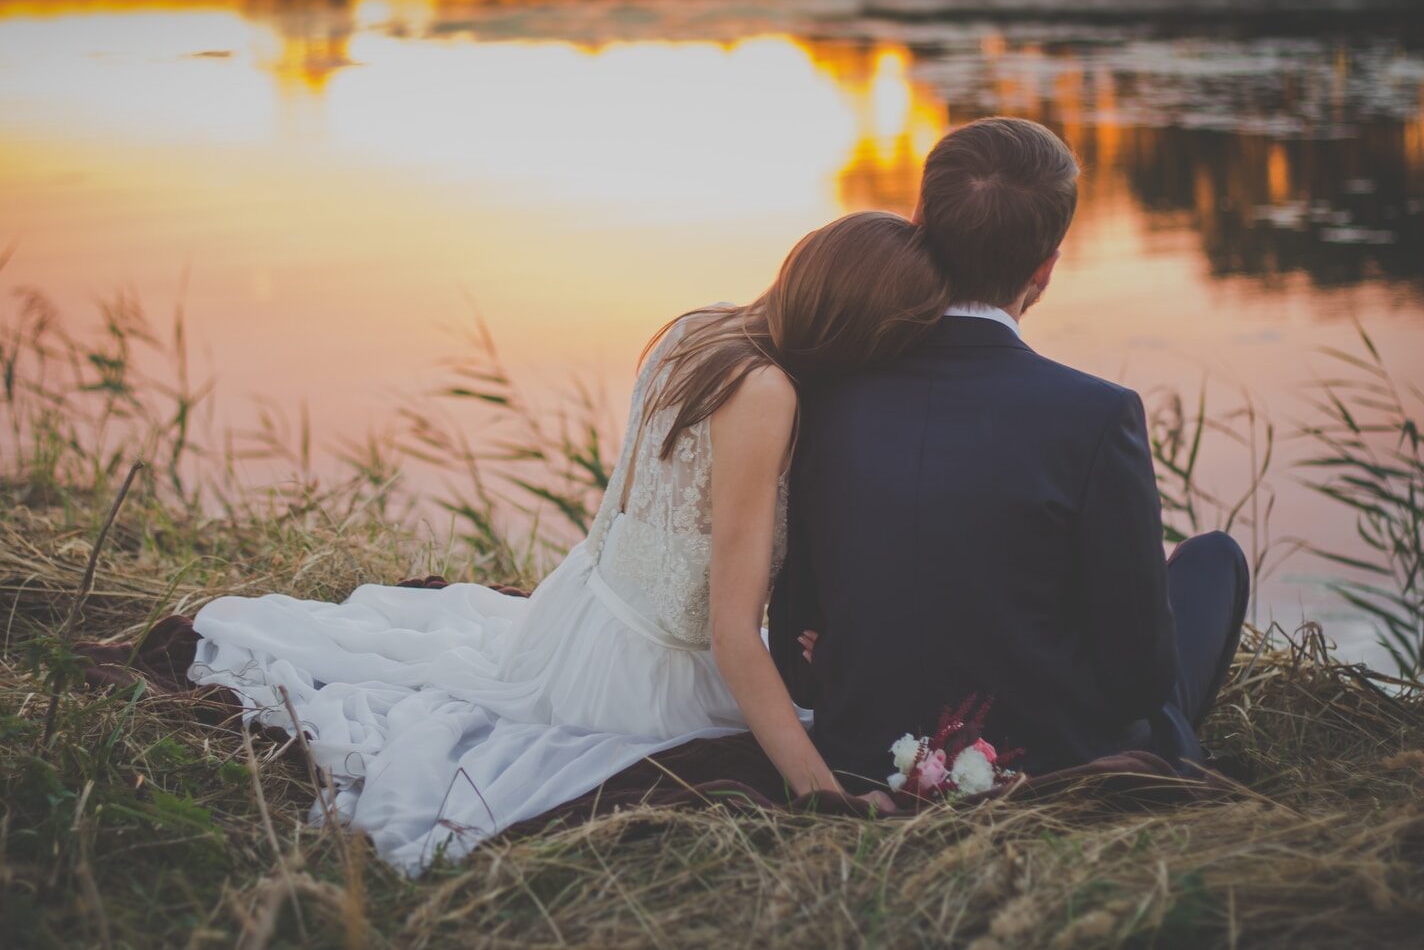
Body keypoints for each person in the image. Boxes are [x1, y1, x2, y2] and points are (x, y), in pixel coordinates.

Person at [188, 211, 946, 874]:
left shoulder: (703, 326)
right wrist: (823, 796)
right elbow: (728, 633)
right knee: (820, 737)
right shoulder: (766, 393)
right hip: (642, 674)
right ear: (860, 333)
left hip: (577, 611)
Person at [770, 117, 1250, 788]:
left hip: (862, 749)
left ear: (918, 224)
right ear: (1045, 268)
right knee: (1214, 561)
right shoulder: (1098, 415)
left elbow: (793, 652)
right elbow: (1138, 681)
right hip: (1045, 756)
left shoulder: (821, 398)